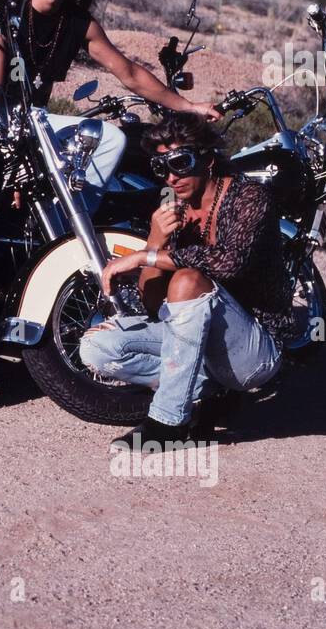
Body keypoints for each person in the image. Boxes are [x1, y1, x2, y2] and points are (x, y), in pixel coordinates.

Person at [80, 112, 295, 448]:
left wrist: (141, 257)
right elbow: (152, 303)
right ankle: (207, 392)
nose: (171, 177)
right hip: (198, 344)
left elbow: (228, 262)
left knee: (187, 281)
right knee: (97, 348)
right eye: (160, 168)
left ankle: (168, 423)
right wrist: (154, 239)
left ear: (207, 159)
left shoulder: (249, 197)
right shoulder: (175, 209)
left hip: (254, 350)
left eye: (180, 162)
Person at [0, 0, 219, 208]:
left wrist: (188, 106)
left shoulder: (76, 21)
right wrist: (11, 160)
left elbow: (129, 73)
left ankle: (73, 220)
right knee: (109, 138)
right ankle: (74, 223)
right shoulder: (2, 18)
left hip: (37, 122)